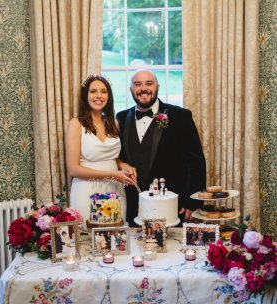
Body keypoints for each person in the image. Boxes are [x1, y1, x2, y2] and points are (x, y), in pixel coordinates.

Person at [116, 69, 206, 226]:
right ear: (131, 90)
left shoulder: (180, 116)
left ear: (158, 87)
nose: (143, 88)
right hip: (131, 207)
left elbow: (196, 161)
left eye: (149, 83)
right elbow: (116, 156)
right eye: (138, 84)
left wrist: (192, 202)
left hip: (172, 207)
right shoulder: (121, 118)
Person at [65, 75, 136, 228]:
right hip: (86, 190)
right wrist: (112, 174)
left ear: (108, 96)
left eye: (103, 91)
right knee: (89, 239)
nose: (99, 96)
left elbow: (111, 157)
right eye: (93, 91)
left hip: (115, 190)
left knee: (115, 239)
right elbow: (73, 169)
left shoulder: (114, 123)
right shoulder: (76, 124)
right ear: (86, 96)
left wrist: (122, 164)